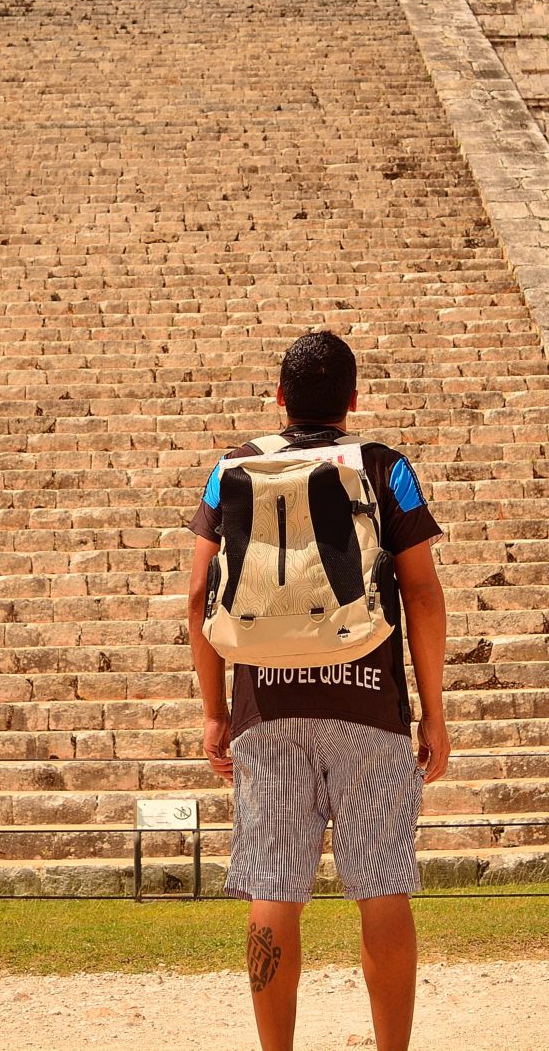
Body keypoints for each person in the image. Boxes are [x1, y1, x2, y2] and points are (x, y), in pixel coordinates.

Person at [186, 330, 450, 1051]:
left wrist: (214, 711)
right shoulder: (384, 467)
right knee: (382, 889)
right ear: (353, 400)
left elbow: (197, 594)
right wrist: (434, 712)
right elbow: (422, 595)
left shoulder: (230, 469)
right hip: (368, 697)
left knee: (273, 888)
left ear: (278, 398)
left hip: (265, 706)